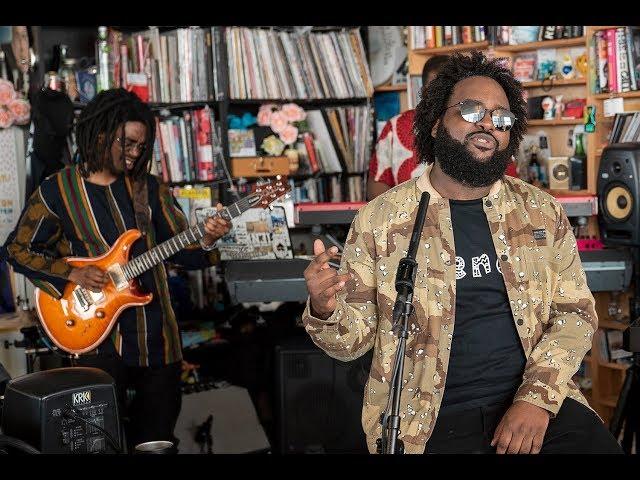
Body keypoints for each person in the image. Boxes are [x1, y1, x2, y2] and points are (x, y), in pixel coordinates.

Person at [302, 51, 623, 454]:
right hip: (425, 422)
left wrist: (535, 400)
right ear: (436, 123)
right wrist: (326, 309)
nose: (489, 122)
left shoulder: (541, 212)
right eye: (471, 110)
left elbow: (574, 316)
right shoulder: (381, 220)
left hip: (535, 403)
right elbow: (351, 343)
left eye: (502, 118)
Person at [1, 88, 231, 451]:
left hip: (159, 342)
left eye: (142, 146)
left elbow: (188, 255)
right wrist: (70, 273)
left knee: (157, 442)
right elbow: (17, 249)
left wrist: (208, 239)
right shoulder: (58, 189)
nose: (135, 154)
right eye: (128, 143)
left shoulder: (149, 189)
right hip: (95, 341)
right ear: (101, 132)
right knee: (97, 444)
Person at [367, 55, 518, 201]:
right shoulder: (396, 126)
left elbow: (508, 182)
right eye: (437, 89)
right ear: (425, 91)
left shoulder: (496, 135)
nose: (486, 123)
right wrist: (400, 215)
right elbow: (377, 182)